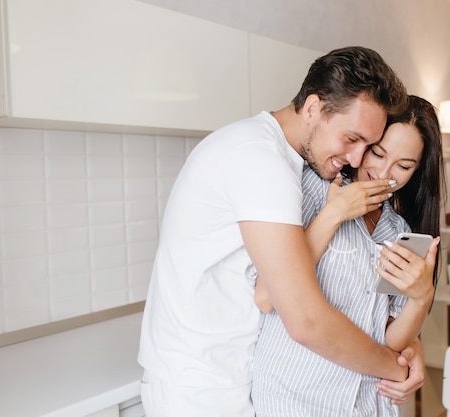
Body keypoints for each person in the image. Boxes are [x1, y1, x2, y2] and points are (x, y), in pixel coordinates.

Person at [138, 46, 426, 417]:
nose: (357, 160)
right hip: (201, 384)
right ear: (312, 109)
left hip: (229, 373)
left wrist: (411, 337)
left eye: (367, 146)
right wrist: (395, 368)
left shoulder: (278, 158)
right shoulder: (262, 162)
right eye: (352, 139)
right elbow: (305, 319)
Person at [251, 95, 444, 416]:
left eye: (404, 165)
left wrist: (422, 298)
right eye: (377, 153)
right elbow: (266, 296)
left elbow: (389, 338)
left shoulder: (399, 230)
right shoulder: (312, 188)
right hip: (295, 399)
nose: (384, 172)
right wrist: (334, 213)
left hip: (367, 401)